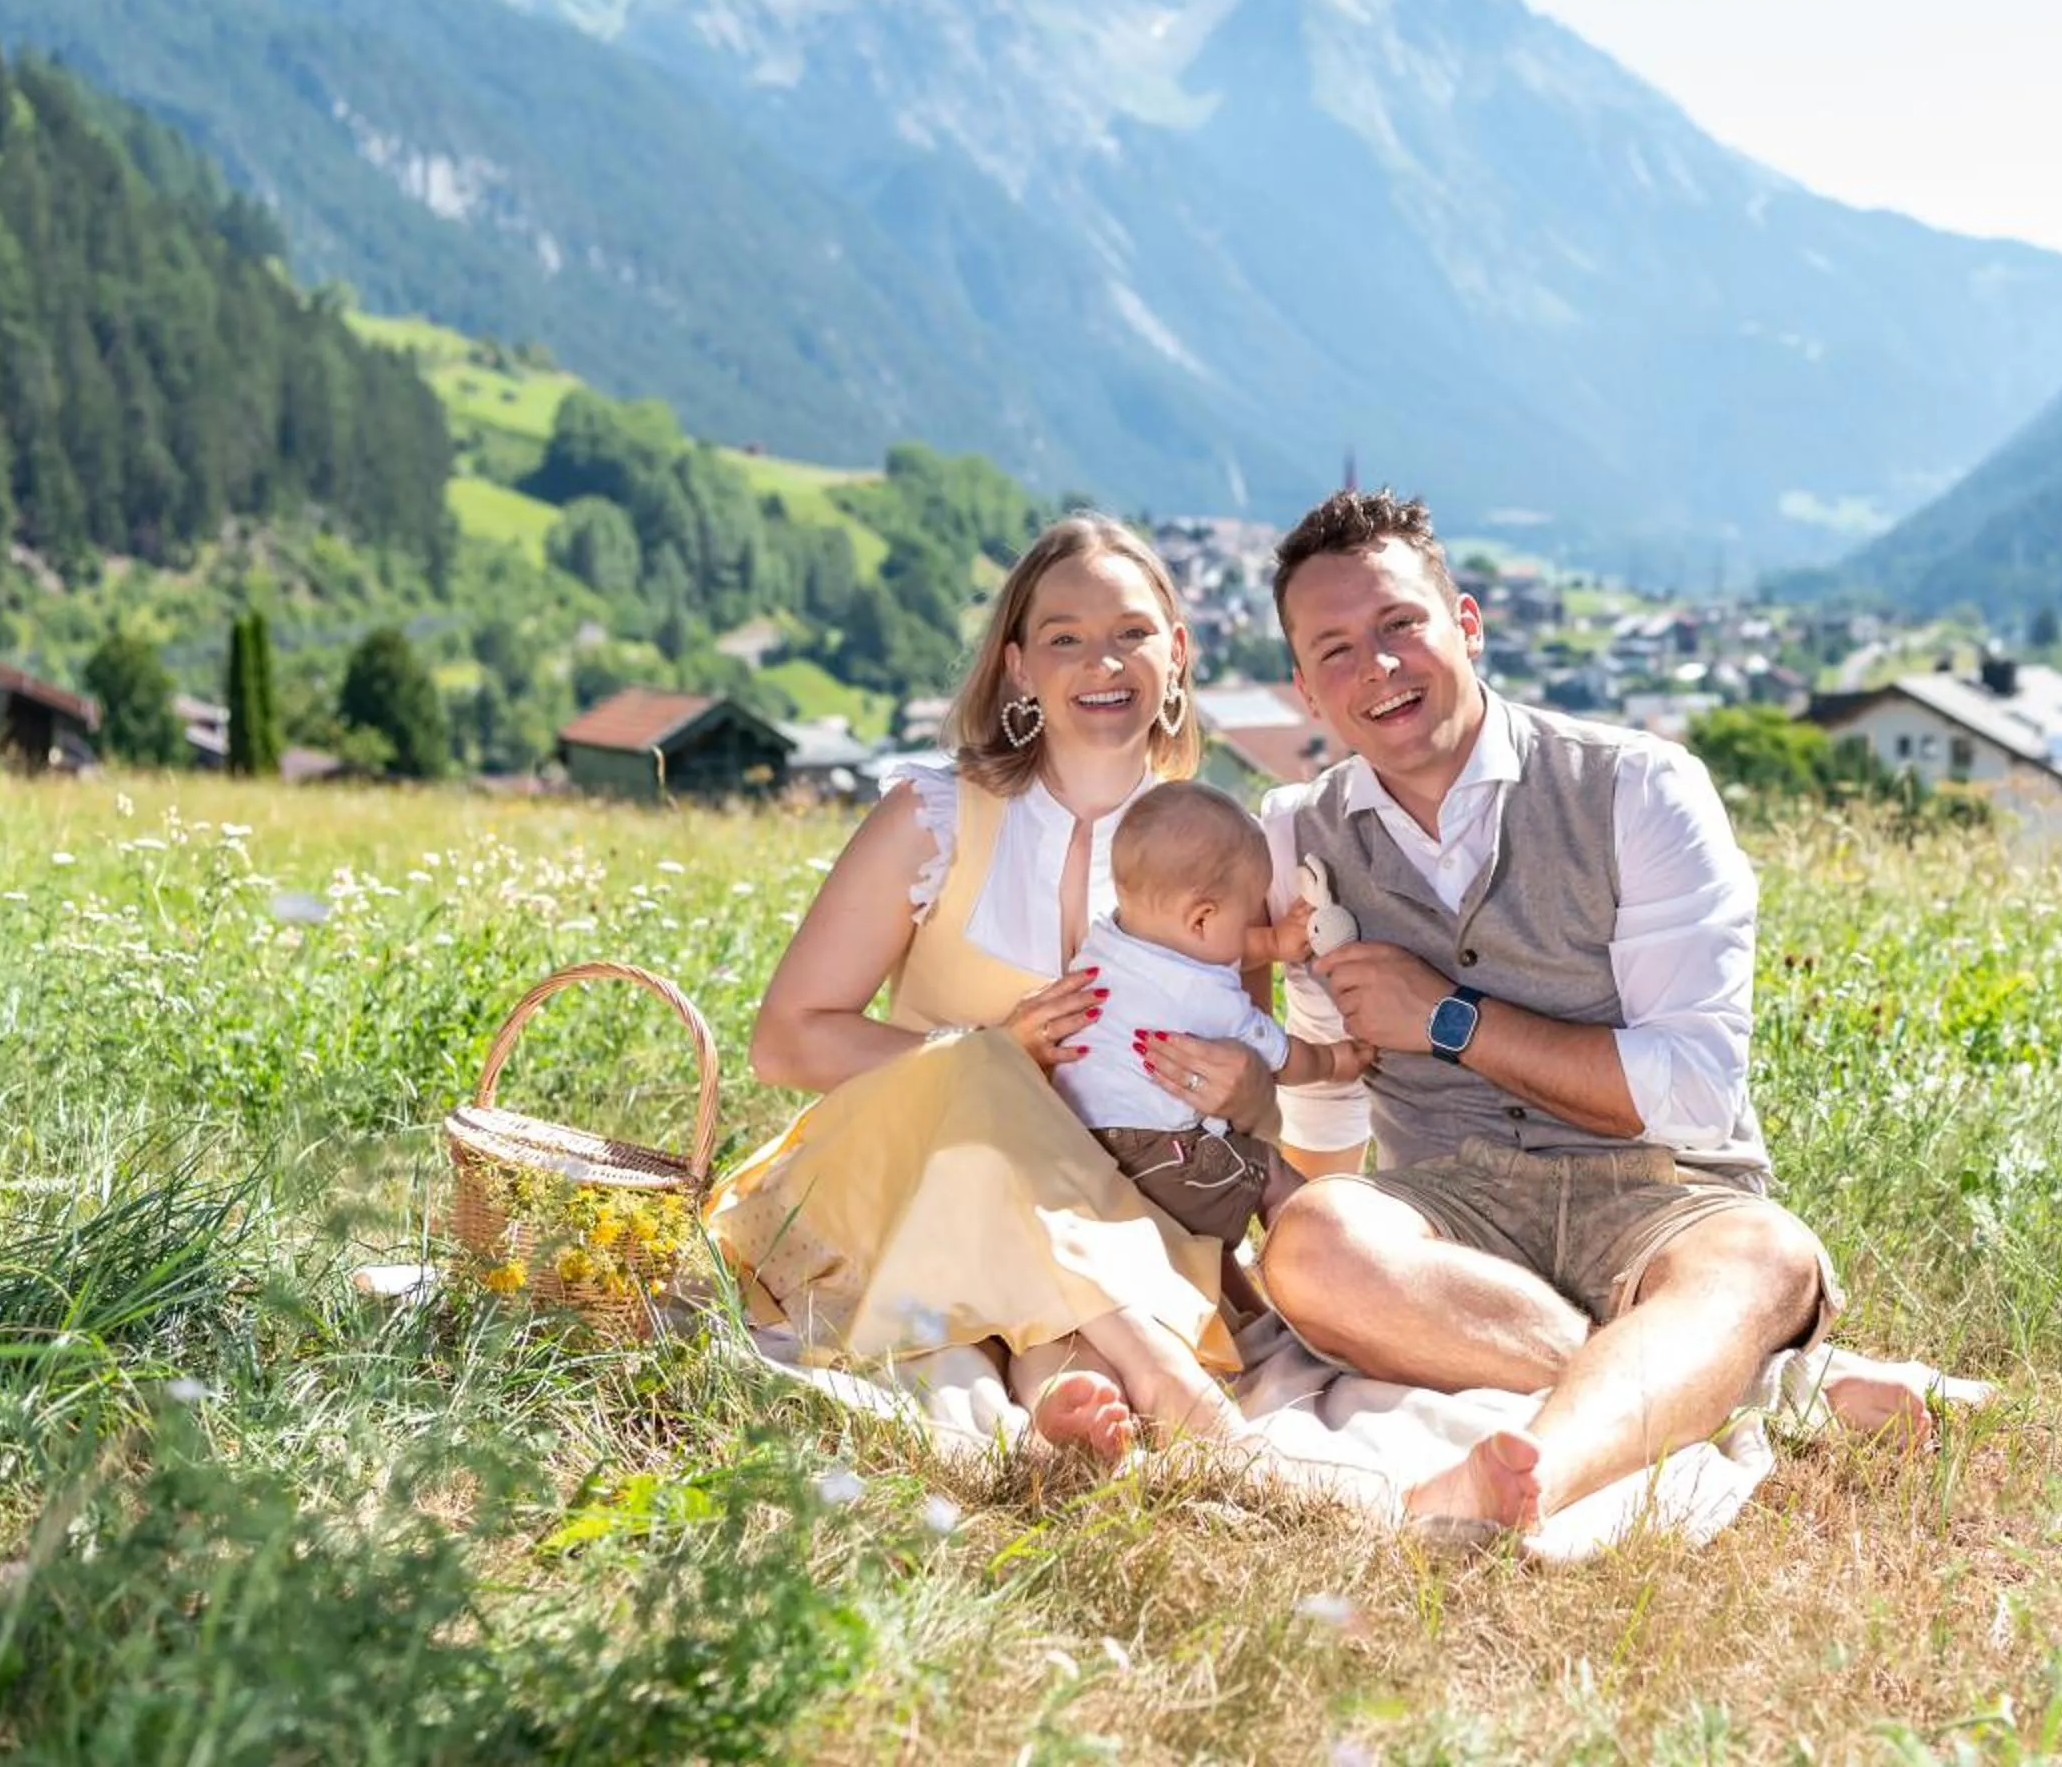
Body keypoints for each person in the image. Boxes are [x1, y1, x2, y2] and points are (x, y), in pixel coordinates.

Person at [1249, 490, 1982, 1534]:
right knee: (1313, 1241)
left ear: (1466, 623)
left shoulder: (1639, 787)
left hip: (1663, 1197)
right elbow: (1327, 1105)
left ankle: (1535, 1471)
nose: (1378, 668)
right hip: (1456, 1215)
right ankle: (1755, 1386)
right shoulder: (1293, 834)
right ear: (1305, 690)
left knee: (1764, 1257)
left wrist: (1450, 1019)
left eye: (1400, 624)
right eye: (1336, 650)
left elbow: (1691, 1093)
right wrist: (1324, 1279)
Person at [701, 515, 1285, 1463]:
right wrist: (993, 1057)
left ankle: (1068, 1401)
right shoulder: (931, 818)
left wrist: (1251, 1093)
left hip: (1111, 1205)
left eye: (1132, 633)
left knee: (1049, 1216)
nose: (1103, 661)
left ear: (1176, 655)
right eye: (1065, 638)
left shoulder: (1222, 857)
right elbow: (787, 1041)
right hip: (904, 1175)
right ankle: (1170, 1387)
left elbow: (1250, 1089)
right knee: (983, 1080)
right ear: (1018, 666)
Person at [1055, 782, 1375, 1296]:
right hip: (1158, 1154)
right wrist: (1340, 1059)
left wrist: (1272, 942)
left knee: (1214, 1201)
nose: (1251, 922)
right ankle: (1341, 1276)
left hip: (1082, 1148)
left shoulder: (1109, 942)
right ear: (1203, 917)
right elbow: (1285, 1058)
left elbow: (1199, 948)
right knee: (1269, 1175)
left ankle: (1244, 1311)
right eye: (1247, 910)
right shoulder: (1210, 1000)